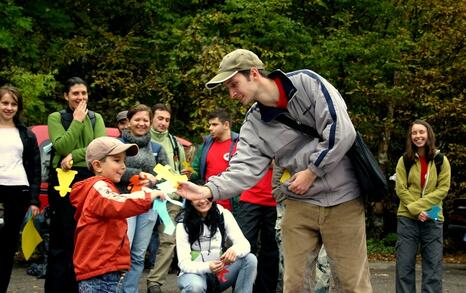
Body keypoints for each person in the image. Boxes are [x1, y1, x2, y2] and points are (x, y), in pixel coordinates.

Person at [177, 49, 372, 292]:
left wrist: (312, 171)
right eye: (227, 88)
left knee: (351, 283)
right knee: (295, 284)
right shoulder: (254, 123)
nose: (231, 94)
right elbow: (243, 169)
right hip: (300, 202)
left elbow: (342, 131)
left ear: (255, 74)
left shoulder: (307, 83)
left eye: (234, 84)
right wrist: (207, 190)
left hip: (343, 198)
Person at [193, 108, 278, 292]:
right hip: (249, 199)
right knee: (243, 247)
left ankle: (265, 289)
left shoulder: (282, 136)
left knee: (270, 250)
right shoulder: (243, 140)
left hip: (273, 200)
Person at [70, 136, 165, 292]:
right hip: (99, 274)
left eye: (124, 161)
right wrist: (148, 196)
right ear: (97, 165)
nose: (123, 166)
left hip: (105, 272)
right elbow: (118, 204)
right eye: (117, 160)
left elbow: (120, 199)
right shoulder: (98, 187)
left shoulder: (104, 188)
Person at [45, 77, 107, 292]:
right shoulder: (56, 117)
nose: (80, 98)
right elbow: (61, 146)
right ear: (66, 96)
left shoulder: (96, 117)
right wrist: (77, 121)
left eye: (83, 93)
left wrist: (73, 155)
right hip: (63, 179)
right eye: (75, 94)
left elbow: (99, 149)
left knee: (84, 237)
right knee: (61, 238)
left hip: (88, 178)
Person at [395, 119, 451, 293]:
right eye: (414, 133)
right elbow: (400, 189)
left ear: (428, 134)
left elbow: (442, 190)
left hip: (433, 216)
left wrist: (425, 210)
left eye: (421, 132)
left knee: (433, 268)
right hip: (407, 218)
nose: (418, 136)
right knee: (404, 267)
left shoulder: (441, 160)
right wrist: (416, 210)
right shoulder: (404, 160)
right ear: (410, 137)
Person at [117, 104, 169, 293]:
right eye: (137, 119)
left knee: (138, 255)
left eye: (145, 120)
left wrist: (154, 181)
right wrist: (140, 175)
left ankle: (130, 290)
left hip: (148, 206)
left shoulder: (156, 148)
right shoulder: (118, 144)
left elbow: (166, 175)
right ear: (128, 122)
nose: (141, 123)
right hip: (124, 204)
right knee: (122, 251)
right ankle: (116, 289)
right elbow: (114, 171)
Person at [0, 86, 41, 293]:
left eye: (13, 104)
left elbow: (34, 168)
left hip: (18, 189)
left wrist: (34, 201)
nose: (9, 107)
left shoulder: (26, 134)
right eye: (5, 103)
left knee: (8, 246)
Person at [147, 103, 188, 293]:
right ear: (152, 118)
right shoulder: (142, 138)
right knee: (138, 242)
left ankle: (155, 283)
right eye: (160, 118)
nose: (163, 123)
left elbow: (179, 168)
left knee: (168, 240)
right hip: (146, 199)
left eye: (167, 120)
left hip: (169, 202)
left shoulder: (174, 143)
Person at [175, 198, 257, 293]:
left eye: (206, 196)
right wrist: (208, 266)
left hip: (220, 273)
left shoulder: (223, 214)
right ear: (190, 201)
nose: (202, 201)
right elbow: (184, 263)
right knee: (195, 287)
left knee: (249, 259)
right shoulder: (183, 222)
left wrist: (234, 251)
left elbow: (244, 244)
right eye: (196, 198)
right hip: (194, 275)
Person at [190, 109, 240, 211]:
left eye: (214, 124)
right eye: (210, 125)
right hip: (209, 204)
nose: (210, 128)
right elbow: (195, 170)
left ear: (226, 125)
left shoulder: (240, 144)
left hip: (235, 205)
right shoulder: (206, 145)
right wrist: (189, 174)